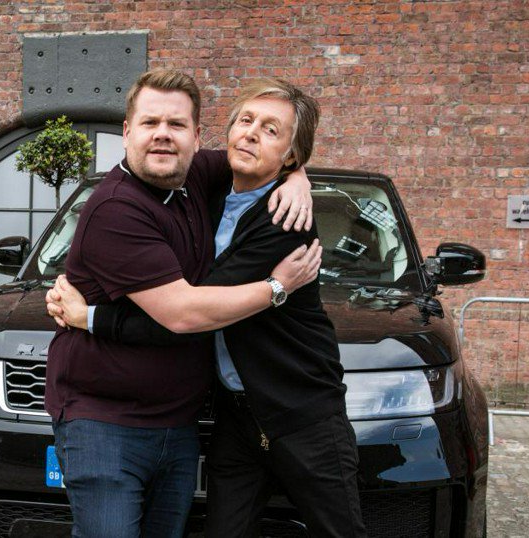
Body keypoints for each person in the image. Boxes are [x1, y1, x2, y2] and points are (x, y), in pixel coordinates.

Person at [49, 78, 366, 538]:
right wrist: (294, 179)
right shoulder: (182, 190)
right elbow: (185, 310)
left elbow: (188, 315)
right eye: (245, 121)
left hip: (298, 412)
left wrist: (89, 317)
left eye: (271, 130)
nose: (252, 134)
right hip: (218, 418)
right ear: (127, 132)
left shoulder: (281, 219)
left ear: (196, 138)